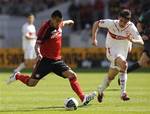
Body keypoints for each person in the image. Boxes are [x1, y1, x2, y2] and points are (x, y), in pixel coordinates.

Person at [7, 10, 96, 105]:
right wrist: (38, 53)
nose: (59, 23)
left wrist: (69, 22)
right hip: (45, 61)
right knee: (31, 83)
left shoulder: (59, 24)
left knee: (72, 75)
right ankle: (17, 75)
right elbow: (37, 44)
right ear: (52, 19)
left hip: (57, 60)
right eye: (57, 21)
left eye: (60, 21)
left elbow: (63, 23)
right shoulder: (45, 29)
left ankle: (83, 98)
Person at [91, 9, 144, 103]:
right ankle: (123, 93)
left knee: (111, 77)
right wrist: (94, 39)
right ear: (119, 18)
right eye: (121, 20)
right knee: (124, 65)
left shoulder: (131, 27)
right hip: (111, 51)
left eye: (125, 22)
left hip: (122, 53)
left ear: (128, 21)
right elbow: (96, 23)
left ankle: (100, 90)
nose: (122, 23)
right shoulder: (111, 23)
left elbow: (141, 42)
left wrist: (132, 41)